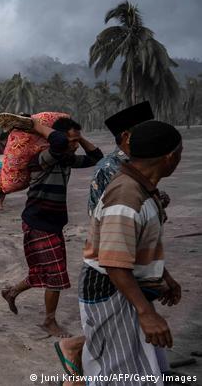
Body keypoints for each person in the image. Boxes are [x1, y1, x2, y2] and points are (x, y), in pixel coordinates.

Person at [78, 121, 182, 383]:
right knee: (119, 372)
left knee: (129, 364)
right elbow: (114, 262)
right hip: (111, 287)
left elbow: (133, 243)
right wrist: (146, 312)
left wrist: (162, 275)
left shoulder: (141, 189)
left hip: (123, 284)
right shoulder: (127, 197)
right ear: (170, 157)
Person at [1, 117, 103, 338]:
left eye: (77, 141)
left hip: (53, 222)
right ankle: (49, 321)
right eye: (72, 140)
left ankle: (11, 292)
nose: (75, 145)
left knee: (42, 271)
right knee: (56, 275)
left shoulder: (66, 159)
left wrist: (78, 137)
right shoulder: (42, 158)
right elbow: (57, 143)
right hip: (38, 221)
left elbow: (96, 157)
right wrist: (36, 126)